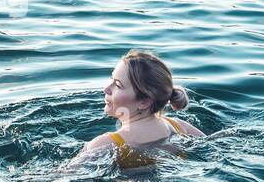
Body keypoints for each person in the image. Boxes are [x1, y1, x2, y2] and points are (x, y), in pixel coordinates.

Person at [68, 50, 205, 171]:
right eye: (111, 80)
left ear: (144, 102)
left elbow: (60, 179)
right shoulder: (179, 126)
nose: (106, 89)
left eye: (117, 85)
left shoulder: (105, 143)